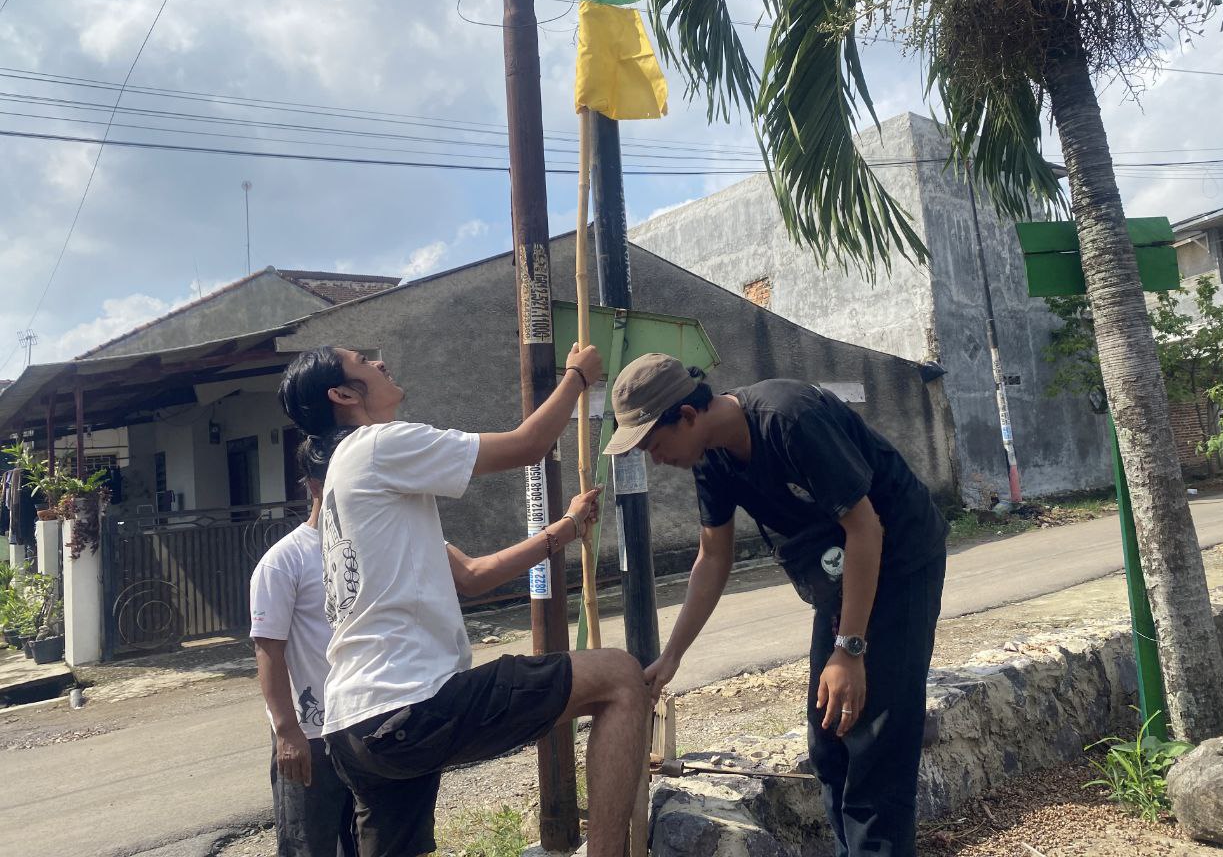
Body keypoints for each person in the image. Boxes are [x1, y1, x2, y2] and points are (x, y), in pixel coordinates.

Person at [277, 345, 648, 857]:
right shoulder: (378, 446)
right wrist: (577, 378)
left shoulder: (354, 483)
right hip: (411, 706)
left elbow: (472, 577)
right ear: (342, 394)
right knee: (620, 677)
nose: (382, 363)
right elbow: (527, 445)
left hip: (356, 729)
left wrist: (563, 528)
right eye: (364, 362)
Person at [603, 355, 948, 857]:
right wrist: (672, 656)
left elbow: (866, 528)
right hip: (840, 571)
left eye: (655, 444)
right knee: (830, 739)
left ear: (687, 416)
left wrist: (849, 650)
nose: (656, 460)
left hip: (899, 559)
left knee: (876, 743)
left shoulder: (790, 418)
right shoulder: (712, 458)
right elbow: (712, 557)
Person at [249, 458, 357, 857]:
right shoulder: (283, 561)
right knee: (308, 845)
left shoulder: (359, 551)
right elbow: (268, 649)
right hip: (309, 737)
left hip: (362, 723)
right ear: (314, 486)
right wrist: (286, 732)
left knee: (367, 841)